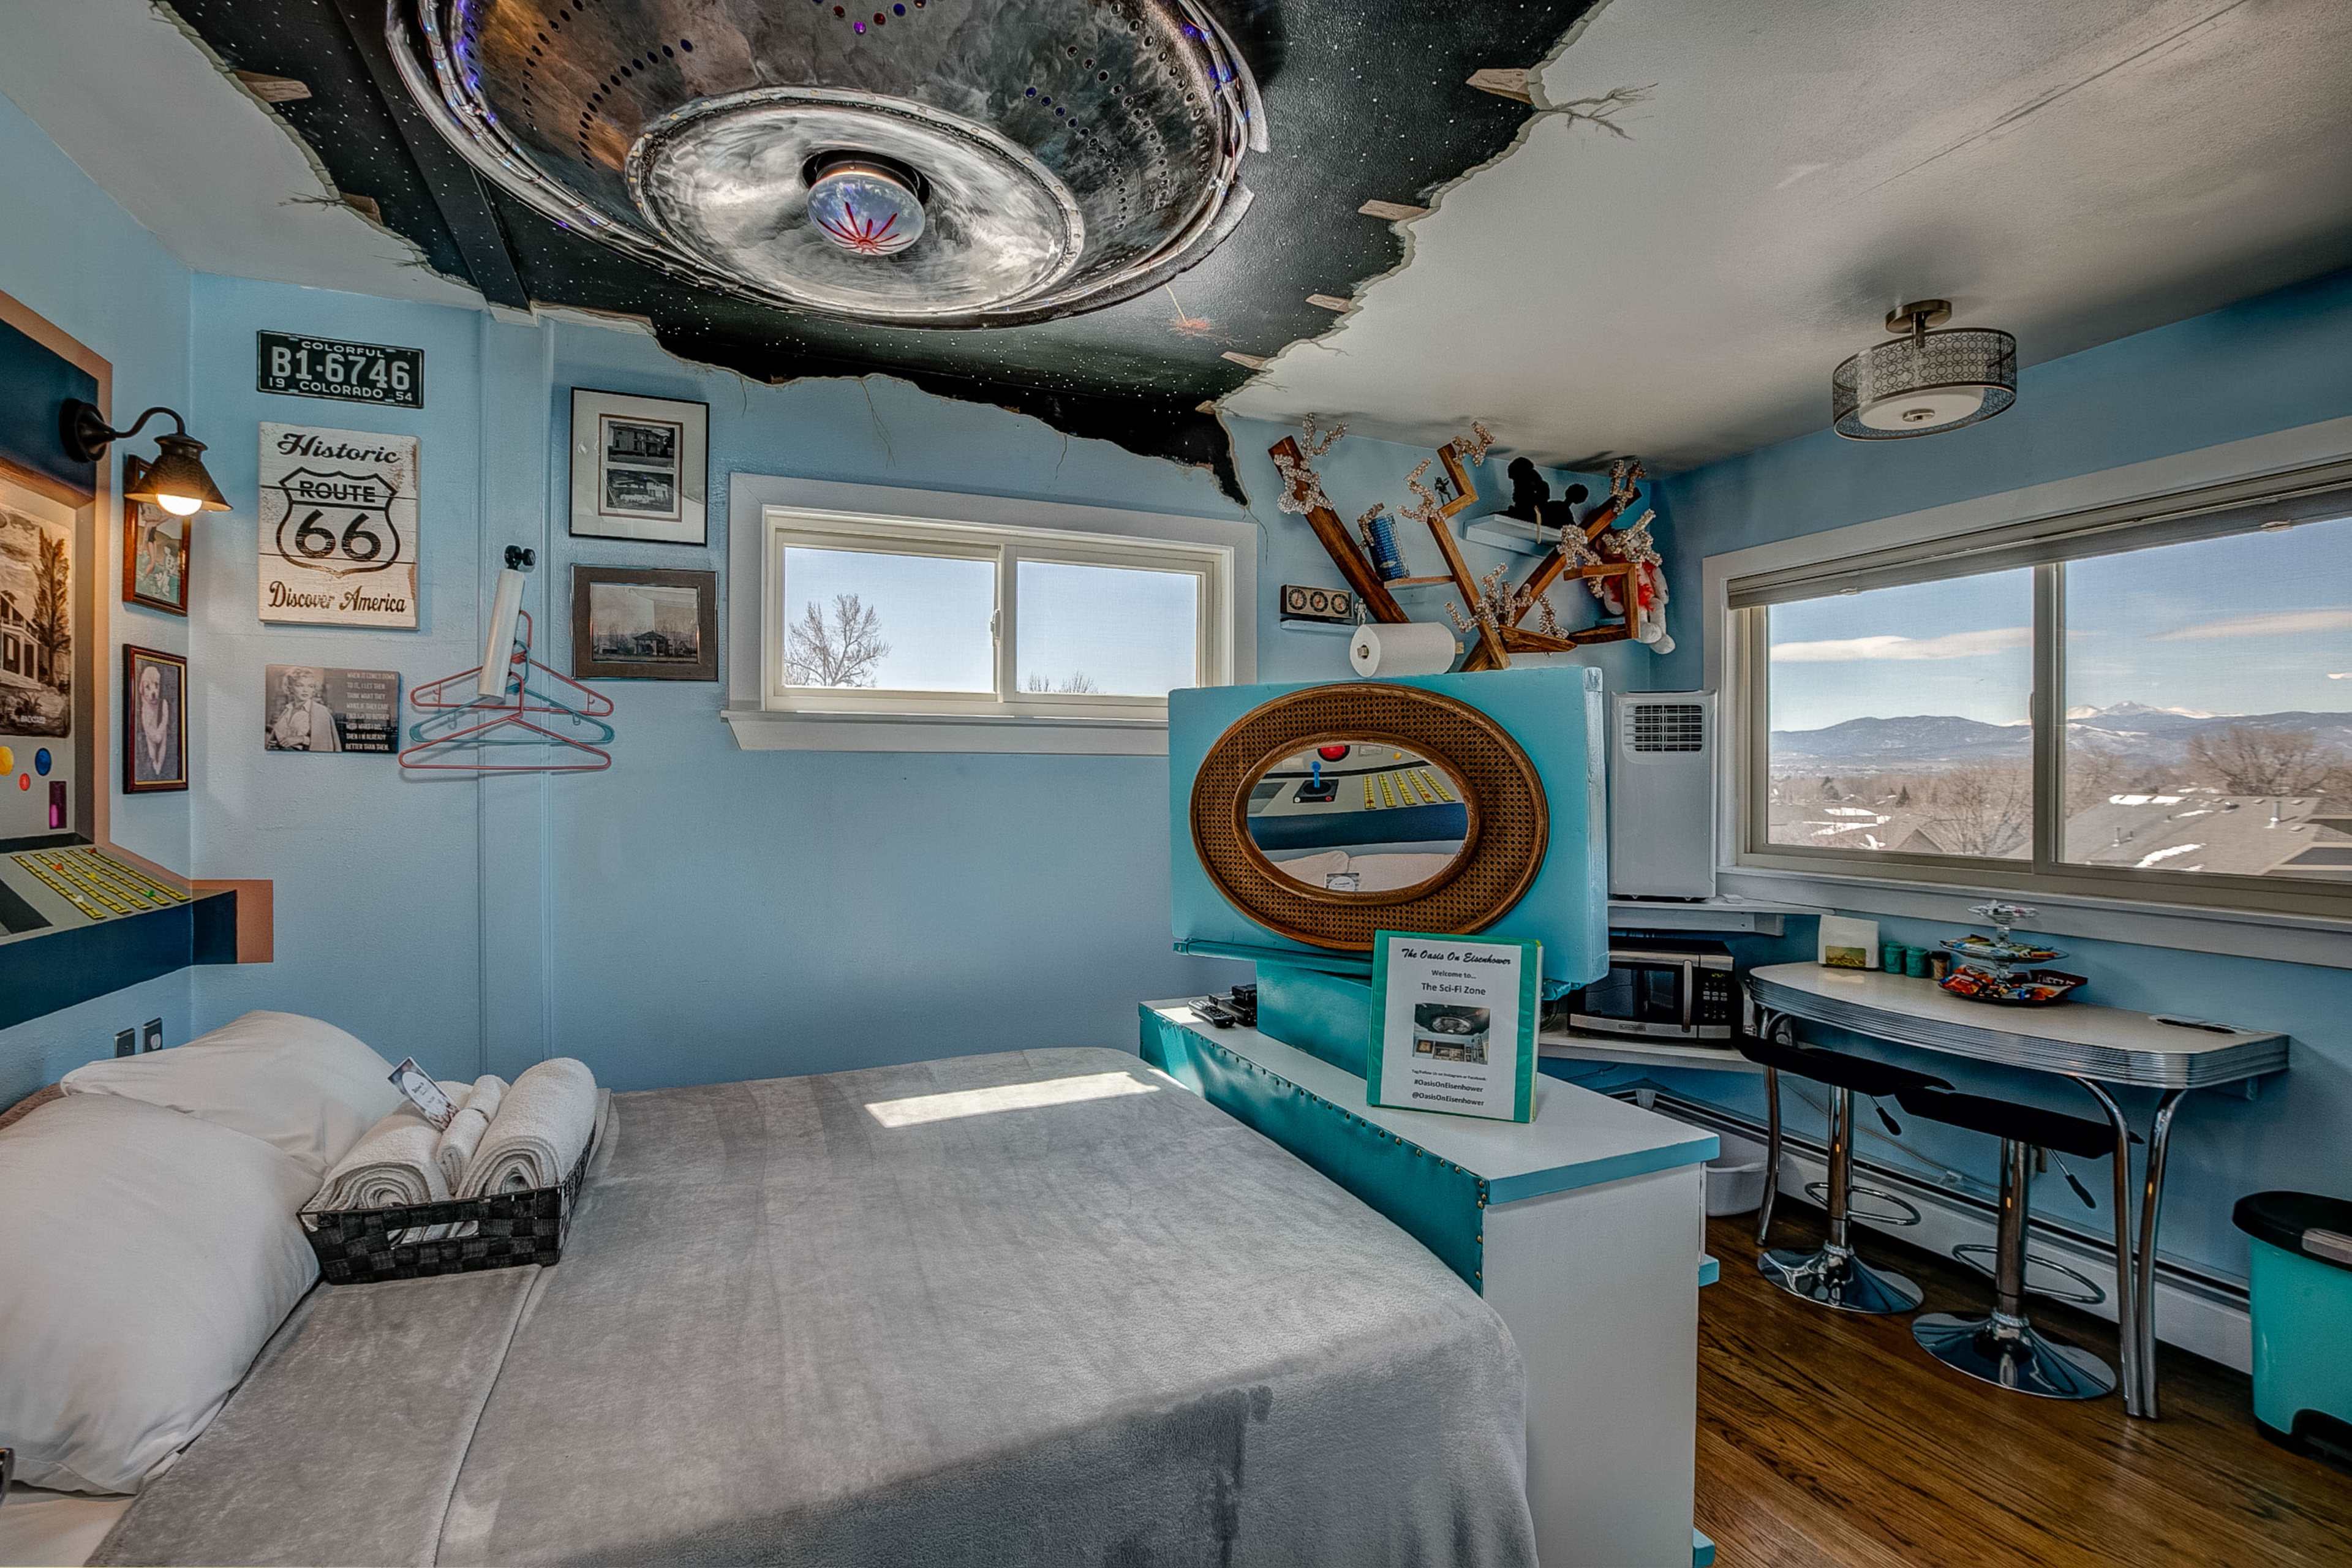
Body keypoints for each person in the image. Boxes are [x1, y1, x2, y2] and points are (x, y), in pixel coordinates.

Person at [268, 665, 341, 752]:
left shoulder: (320, 711)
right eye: (300, 685)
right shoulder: (287, 710)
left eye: (310, 686)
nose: (305, 690)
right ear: (290, 688)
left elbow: (325, 743)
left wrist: (302, 739)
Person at [134, 660, 181, 783]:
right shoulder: (145, 708)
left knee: (162, 744)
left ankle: (159, 767)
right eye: (148, 687)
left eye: (156, 685)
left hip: (161, 733)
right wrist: (153, 734)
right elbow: (146, 725)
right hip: (151, 736)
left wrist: (159, 732)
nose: (154, 692)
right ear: (142, 689)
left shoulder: (163, 704)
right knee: (151, 749)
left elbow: (165, 720)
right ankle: (155, 766)